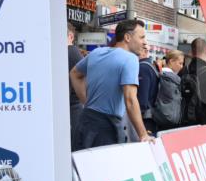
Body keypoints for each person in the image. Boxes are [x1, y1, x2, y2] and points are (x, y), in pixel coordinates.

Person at [69, 18, 150, 149]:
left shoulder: (96, 53)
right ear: (127, 37)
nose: (145, 43)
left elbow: (74, 74)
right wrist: (143, 134)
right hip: (106, 128)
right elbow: (130, 100)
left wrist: (86, 101)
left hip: (86, 121)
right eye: (141, 37)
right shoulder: (130, 59)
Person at [152, 49, 185, 130]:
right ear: (171, 61)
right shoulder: (173, 78)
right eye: (180, 63)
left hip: (158, 117)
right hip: (170, 120)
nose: (182, 66)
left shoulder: (158, 74)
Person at [136, 45, 159, 137]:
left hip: (145, 118)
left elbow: (142, 99)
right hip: (150, 116)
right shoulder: (150, 66)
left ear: (145, 52)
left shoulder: (143, 68)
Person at [68, 23, 84, 134]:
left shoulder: (72, 52)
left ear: (71, 36)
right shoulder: (74, 52)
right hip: (73, 106)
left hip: (73, 107)